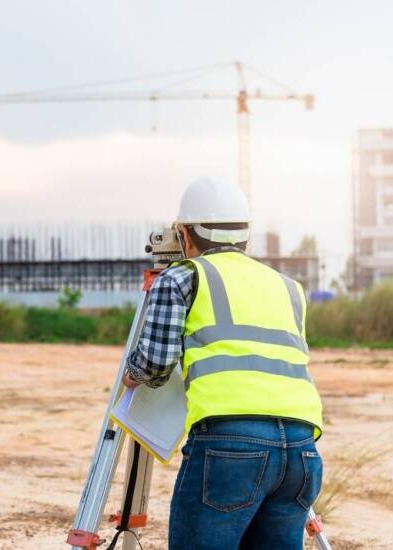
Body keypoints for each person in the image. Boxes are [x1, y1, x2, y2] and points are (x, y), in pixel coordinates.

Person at [123, 177, 324, 549]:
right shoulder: (288, 286)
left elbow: (155, 362)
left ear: (184, 234)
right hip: (302, 448)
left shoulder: (182, 276)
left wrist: (131, 375)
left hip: (230, 444)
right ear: (246, 235)